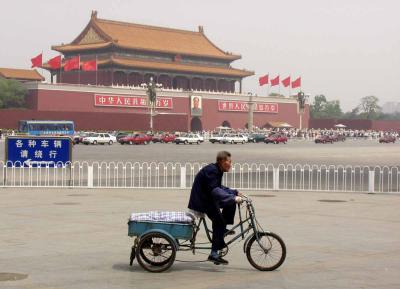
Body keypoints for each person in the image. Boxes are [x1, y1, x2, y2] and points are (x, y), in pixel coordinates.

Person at [188, 151, 243, 265]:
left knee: (229, 204)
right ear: (222, 161)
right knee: (219, 221)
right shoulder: (212, 171)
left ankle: (222, 230)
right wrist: (232, 197)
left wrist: (234, 192)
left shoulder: (217, 170)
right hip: (203, 202)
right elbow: (215, 191)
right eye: (229, 161)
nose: (230, 164)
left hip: (209, 199)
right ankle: (213, 254)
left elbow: (218, 187)